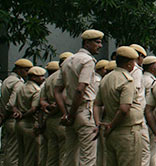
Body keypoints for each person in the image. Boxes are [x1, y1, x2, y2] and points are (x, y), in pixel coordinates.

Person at [55, 29, 103, 166]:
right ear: (87, 43)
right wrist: (71, 114)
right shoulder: (88, 61)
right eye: (97, 42)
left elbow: (57, 91)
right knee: (88, 158)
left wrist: (66, 114)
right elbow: (80, 89)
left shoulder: (67, 61)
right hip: (84, 111)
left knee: (69, 155)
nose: (100, 46)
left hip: (71, 111)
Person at [94, 46, 144, 166]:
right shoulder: (127, 80)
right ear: (128, 64)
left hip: (111, 131)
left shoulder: (106, 79)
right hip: (127, 131)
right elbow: (124, 108)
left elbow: (96, 104)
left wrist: (98, 123)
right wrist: (111, 126)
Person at [10, 65, 44, 166]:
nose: (43, 78)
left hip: (19, 124)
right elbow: (34, 109)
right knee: (30, 155)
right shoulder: (36, 91)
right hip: (29, 124)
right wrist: (24, 115)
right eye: (40, 76)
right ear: (33, 77)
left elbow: (13, 105)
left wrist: (18, 113)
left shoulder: (21, 87)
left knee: (21, 153)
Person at [141, 56, 156, 166]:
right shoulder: (151, 82)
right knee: (151, 151)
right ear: (151, 67)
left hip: (141, 119)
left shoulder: (141, 78)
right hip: (150, 119)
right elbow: (149, 105)